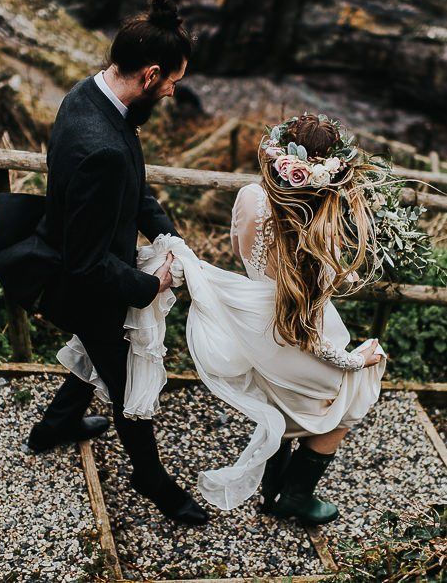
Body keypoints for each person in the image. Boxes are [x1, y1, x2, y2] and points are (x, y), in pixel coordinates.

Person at [0, 0, 209, 525]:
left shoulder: (91, 93)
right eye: (173, 83)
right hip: (84, 285)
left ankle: (56, 426)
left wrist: (168, 238)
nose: (172, 93)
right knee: (129, 378)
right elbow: (87, 263)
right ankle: (151, 479)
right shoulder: (102, 147)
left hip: (81, 257)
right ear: (150, 74)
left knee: (101, 356)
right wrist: (149, 287)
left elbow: (133, 189)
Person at [115, 112, 387, 524]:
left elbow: (242, 250)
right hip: (298, 331)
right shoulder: (320, 235)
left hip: (255, 325)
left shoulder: (249, 198)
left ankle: (272, 493)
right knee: (345, 405)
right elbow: (307, 335)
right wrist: (356, 359)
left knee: (281, 404)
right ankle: (294, 496)